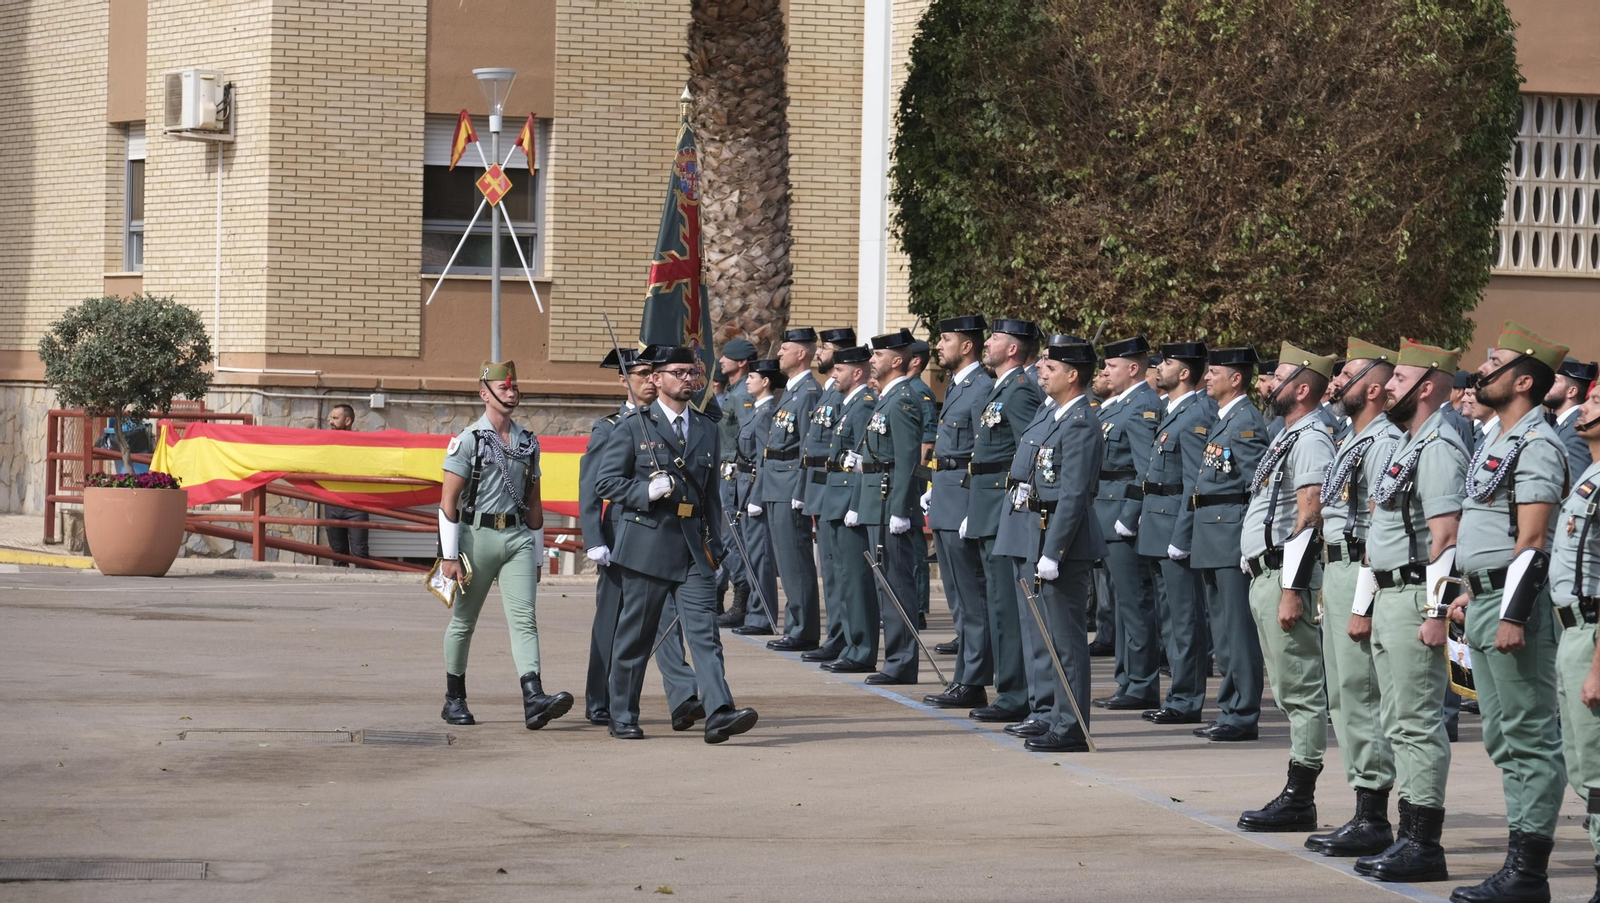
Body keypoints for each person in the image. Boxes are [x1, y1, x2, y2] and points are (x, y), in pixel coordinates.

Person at [1449, 321, 1571, 903]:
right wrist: (1473, 590)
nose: (1480, 371)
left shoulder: (1536, 442)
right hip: (1486, 597)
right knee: (1501, 735)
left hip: (1514, 603)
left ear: (1521, 380)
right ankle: (1518, 861)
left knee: (1528, 736)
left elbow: (1532, 540)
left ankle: (1528, 872)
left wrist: (1514, 613)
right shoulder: (1496, 438)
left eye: (1492, 363)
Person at [591, 345, 759, 743]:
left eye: (692, 372)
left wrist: (716, 548)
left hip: (692, 548)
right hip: (647, 545)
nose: (688, 378)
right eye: (679, 372)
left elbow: (711, 495)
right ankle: (623, 712)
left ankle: (719, 711)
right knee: (636, 636)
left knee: (705, 635)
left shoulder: (706, 428)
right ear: (656, 379)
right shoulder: (633, 426)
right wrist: (645, 490)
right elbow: (606, 483)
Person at [1355, 339, 1468, 883]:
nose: (1389, 386)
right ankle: (1408, 837)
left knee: (1419, 722)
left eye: (1399, 378)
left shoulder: (1440, 445)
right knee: (1398, 721)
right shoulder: (1408, 442)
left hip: (1416, 595)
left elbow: (1446, 537)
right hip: (1390, 594)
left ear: (1426, 387)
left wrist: (1435, 612)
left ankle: (1424, 845)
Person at [1234, 343, 1339, 831]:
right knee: (1288, 690)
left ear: (1300, 388)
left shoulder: (1312, 437)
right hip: (1266, 574)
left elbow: (1309, 513)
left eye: (1273, 377)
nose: (1263, 383)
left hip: (1284, 575)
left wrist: (1293, 588)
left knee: (1300, 690)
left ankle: (1301, 796)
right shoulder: (1288, 433)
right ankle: (1299, 792)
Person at [436, 360, 573, 730]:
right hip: (475, 537)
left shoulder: (529, 442)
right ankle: (454, 699)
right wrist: (449, 557)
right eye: (505, 388)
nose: (512, 393)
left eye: (515, 388)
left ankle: (534, 698)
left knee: (525, 620)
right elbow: (448, 501)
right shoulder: (468, 440)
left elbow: (535, 502)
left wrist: (539, 553)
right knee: (464, 621)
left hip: (516, 540)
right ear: (486, 393)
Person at [1304, 339, 1400, 858]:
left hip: (1360, 569)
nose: (1336, 382)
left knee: (1361, 694)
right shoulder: (1352, 437)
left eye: (1348, 375)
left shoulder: (1382, 441)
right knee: (1343, 695)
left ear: (1375, 387)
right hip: (1336, 568)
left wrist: (1362, 601)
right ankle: (1364, 806)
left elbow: (1377, 530)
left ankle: (1374, 815)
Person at [580, 348, 702, 731]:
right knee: (612, 622)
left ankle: (683, 698)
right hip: (620, 535)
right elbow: (591, 487)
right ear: (623, 380)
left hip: (662, 538)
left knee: (664, 622)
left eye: (654, 373)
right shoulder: (612, 425)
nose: (650, 380)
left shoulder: (669, 422)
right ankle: (600, 698)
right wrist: (593, 537)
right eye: (642, 374)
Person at [993, 341, 1106, 751]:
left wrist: (1053, 552)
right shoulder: (1055, 415)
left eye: (1051, 365)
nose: (1041, 370)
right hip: (1035, 532)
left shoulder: (1080, 422)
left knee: (1067, 640)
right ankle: (1055, 716)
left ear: (1072, 374)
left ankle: (1072, 725)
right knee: (1048, 636)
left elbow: (1074, 495)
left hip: (1062, 542)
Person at [965, 319, 1045, 730]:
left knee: (1007, 608)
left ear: (1013, 349)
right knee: (998, 605)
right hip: (986, 505)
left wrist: (1014, 508)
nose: (988, 343)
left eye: (995, 338)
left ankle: (1016, 695)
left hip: (1002, 507)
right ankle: (1010, 690)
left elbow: (1027, 452)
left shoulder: (1018, 392)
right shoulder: (1002, 388)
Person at [1192, 346, 1269, 742]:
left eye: (1214, 372)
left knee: (1237, 632)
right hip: (1211, 533)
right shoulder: (1225, 419)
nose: (1206, 377)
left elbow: (1259, 487)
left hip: (1230, 534)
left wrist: (1249, 541)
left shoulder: (1244, 423)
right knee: (1222, 633)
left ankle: (1242, 713)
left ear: (1235, 379)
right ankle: (1229, 709)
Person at [1137, 342, 1216, 727]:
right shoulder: (1173, 411)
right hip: (1157, 521)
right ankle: (1178, 694)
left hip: (1174, 526)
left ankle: (1186, 699)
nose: (1160, 368)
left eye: (1167, 363)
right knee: (1169, 619)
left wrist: (1183, 535)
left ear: (1184, 373)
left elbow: (1193, 483)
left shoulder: (1196, 414)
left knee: (1184, 619)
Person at [921, 315, 995, 710]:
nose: (939, 345)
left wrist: (976, 503)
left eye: (946, 339)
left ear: (967, 346)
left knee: (972, 596)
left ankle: (975, 679)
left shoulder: (981, 387)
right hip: (948, 494)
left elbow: (985, 451)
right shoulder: (959, 385)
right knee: (957, 598)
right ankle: (965, 675)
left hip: (965, 497)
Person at [847, 329, 927, 685]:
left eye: (877, 356)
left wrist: (899, 509)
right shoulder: (888, 398)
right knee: (885, 582)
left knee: (896, 584)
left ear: (896, 360)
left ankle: (902, 661)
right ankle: (895, 659)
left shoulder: (904, 399)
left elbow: (908, 458)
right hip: (875, 497)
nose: (872, 361)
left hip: (890, 500)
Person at [1090, 336, 1164, 711]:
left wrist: (1129, 517)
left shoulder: (1141, 408)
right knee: (1121, 603)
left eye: (1111, 366)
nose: (1104, 371)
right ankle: (1127, 679)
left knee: (1135, 603)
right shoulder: (1115, 406)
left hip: (1120, 513)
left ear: (1133, 369)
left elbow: (1144, 470)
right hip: (1104, 511)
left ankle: (1141, 684)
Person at [1551, 389, 1600, 903]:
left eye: (1598, 401)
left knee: (1597, 764)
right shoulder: (1587, 472)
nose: (1584, 408)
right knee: (1582, 763)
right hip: (1571, 630)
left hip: (1593, 634)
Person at [815, 345, 881, 673]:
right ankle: (852, 644)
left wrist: (857, 504)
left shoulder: (864, 405)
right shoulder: (848, 404)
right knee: (843, 578)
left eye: (839, 370)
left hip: (849, 503)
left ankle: (862, 649)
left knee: (856, 579)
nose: (833, 375)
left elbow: (864, 462)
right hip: (836, 500)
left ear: (857, 372)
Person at [758, 328, 824, 651]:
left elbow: (807, 447)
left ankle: (804, 630)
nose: (779, 354)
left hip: (789, 484)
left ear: (802, 354)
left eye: (785, 348)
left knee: (796, 560)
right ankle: (794, 624)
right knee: (785, 561)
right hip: (775, 482)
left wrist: (801, 488)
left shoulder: (810, 392)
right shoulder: (793, 392)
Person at [802, 327, 856, 662]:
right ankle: (837, 633)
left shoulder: (844, 394)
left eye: (826, 348)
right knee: (832, 572)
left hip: (835, 486)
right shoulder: (828, 390)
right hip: (821, 485)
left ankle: (842, 635)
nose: (820, 353)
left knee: (840, 572)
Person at [731, 359, 782, 636]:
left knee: (760, 557)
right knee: (751, 556)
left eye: (751, 376)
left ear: (765, 382)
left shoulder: (766, 414)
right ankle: (755, 612)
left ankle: (761, 617)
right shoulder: (756, 411)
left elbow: (765, 460)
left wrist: (758, 496)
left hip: (754, 489)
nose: (746, 381)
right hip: (744, 486)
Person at [715, 338, 758, 627]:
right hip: (725, 470)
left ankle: (742, 598)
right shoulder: (732, 390)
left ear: (741, 362)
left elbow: (747, 434)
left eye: (727, 357)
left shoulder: (743, 394)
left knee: (732, 538)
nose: (721, 360)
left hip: (733, 473)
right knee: (725, 538)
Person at [907, 339, 938, 626]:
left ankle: (916, 606)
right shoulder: (905, 390)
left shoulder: (920, 392)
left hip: (914, 475)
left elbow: (927, 442)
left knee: (914, 540)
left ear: (914, 361)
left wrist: (914, 476)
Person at [324, 404, 370, 566]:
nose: (331, 422)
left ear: (348, 421)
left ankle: (363, 590)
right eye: (330, 418)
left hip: (356, 505)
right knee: (338, 555)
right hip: (332, 503)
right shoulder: (326, 441)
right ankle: (339, 592)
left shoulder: (361, 442)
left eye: (335, 418)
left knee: (360, 555)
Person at [1547, 357, 1597, 475]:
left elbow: (1574, 483)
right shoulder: (1562, 424)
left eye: (1554, 380)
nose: (1546, 384)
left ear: (1571, 391)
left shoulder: (1576, 429)